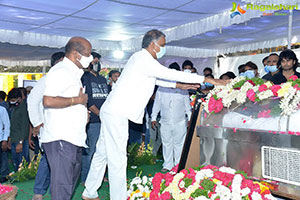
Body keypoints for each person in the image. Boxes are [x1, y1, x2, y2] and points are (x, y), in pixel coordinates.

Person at [82, 29, 227, 200]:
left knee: (103, 153)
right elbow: (168, 73)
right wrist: (206, 79)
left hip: (111, 111)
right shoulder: (144, 59)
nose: (164, 49)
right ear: (153, 44)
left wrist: (179, 86)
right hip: (117, 113)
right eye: (163, 45)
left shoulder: (140, 60)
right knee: (117, 158)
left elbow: (156, 79)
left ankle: (89, 192)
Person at [42, 37, 89, 200]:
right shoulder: (61, 71)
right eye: (87, 54)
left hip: (73, 138)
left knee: (68, 186)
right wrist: (77, 101)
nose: (90, 58)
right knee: (62, 188)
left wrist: (83, 112)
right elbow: (48, 100)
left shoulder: (74, 73)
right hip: (61, 137)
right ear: (76, 54)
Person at [27, 51, 65, 200]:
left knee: (59, 161)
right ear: (57, 63)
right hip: (48, 128)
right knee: (47, 159)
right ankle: (39, 191)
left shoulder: (69, 79)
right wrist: (37, 123)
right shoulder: (47, 79)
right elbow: (32, 101)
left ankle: (54, 191)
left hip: (65, 128)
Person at [151, 62, 192, 172]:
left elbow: (187, 106)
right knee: (167, 143)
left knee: (179, 144)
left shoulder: (183, 88)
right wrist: (153, 118)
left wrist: (190, 119)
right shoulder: (161, 88)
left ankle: (178, 166)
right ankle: (167, 165)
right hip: (165, 121)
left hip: (180, 122)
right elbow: (157, 104)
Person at [81, 52, 109, 183]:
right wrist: (101, 115)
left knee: (102, 151)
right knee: (91, 150)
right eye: (94, 62)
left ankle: (100, 175)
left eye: (98, 62)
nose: (96, 65)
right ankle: (86, 177)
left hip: (104, 120)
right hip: (93, 121)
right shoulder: (84, 78)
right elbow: (88, 101)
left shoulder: (103, 79)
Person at [7, 88, 30, 172]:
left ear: (19, 98)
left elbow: (24, 126)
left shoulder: (23, 108)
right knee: (16, 163)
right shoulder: (14, 108)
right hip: (14, 139)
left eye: (13, 99)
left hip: (20, 140)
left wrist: (21, 143)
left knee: (22, 165)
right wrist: (10, 139)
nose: (11, 101)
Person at [0, 105, 10, 183]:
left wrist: (5, 139)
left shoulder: (2, 109)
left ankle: (4, 176)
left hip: (1, 139)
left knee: (3, 159)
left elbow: (7, 125)